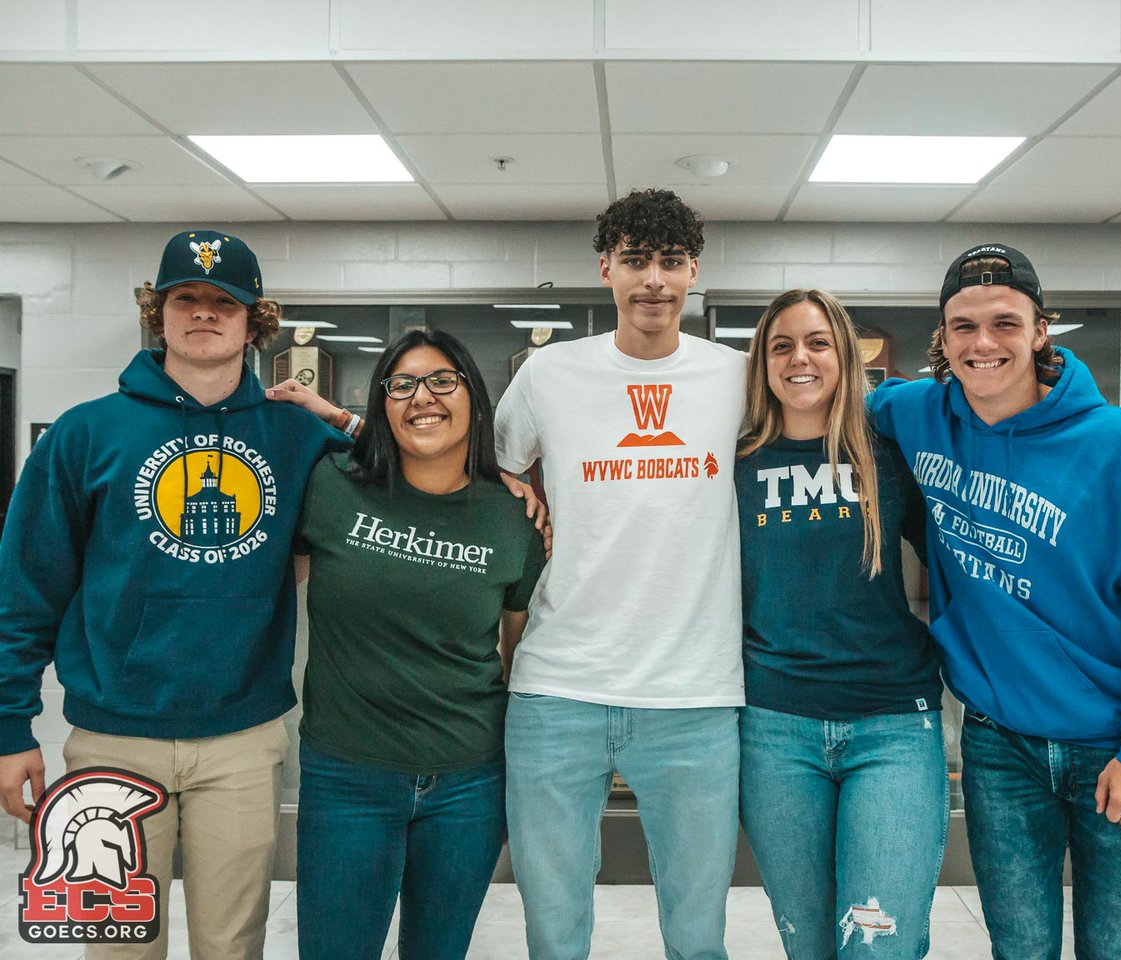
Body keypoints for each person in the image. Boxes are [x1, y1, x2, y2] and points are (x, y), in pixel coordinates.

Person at [0, 230, 353, 959]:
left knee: (232, 946)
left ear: (254, 321)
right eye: (184, 298)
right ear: (156, 312)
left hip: (243, 738)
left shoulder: (294, 436)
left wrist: (344, 421)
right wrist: (10, 728)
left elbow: (413, 475)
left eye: (224, 301)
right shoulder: (84, 433)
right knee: (121, 943)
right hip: (111, 735)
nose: (203, 313)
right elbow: (25, 588)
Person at [870, 243, 1121, 960]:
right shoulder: (921, 413)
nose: (983, 343)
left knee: (1114, 949)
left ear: (1039, 330)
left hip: (1114, 746)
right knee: (1020, 948)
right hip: (999, 744)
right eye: (963, 326)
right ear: (943, 338)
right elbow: (837, 396)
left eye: (1004, 323)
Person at [493, 188, 747, 958]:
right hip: (556, 690)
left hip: (695, 698)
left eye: (670, 262)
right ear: (606, 268)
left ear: (694, 271)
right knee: (554, 931)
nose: (654, 282)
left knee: (698, 935)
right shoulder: (549, 374)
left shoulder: (737, 376)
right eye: (636, 261)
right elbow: (478, 468)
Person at [293, 329, 545, 960]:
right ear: (382, 405)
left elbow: (518, 657)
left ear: (475, 400)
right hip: (348, 775)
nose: (421, 397)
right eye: (401, 385)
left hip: (468, 783)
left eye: (442, 381)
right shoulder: (331, 483)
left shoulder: (513, 517)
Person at [736, 289, 947, 960]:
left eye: (818, 342)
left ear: (844, 357)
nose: (801, 358)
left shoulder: (888, 455)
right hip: (775, 728)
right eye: (782, 345)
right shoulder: (735, 464)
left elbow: (957, 565)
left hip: (890, 725)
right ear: (763, 362)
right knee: (811, 945)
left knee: (875, 944)